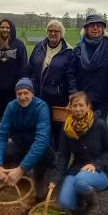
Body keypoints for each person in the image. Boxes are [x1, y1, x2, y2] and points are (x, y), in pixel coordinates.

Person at [51, 91, 108, 215]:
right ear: (70, 107)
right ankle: (81, 195)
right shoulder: (67, 127)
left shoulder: (100, 125)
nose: (78, 109)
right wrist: (56, 179)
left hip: (100, 171)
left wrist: (96, 164)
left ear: (88, 106)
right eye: (74, 105)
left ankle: (93, 206)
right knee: (64, 203)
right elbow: (63, 155)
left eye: (81, 105)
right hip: (77, 168)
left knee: (81, 181)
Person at [0, 78, 54, 201]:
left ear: (32, 94)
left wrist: (21, 169)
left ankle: (38, 176)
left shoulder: (41, 107)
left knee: (40, 196)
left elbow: (42, 141)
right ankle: (10, 174)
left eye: (26, 93)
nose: (22, 97)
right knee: (6, 150)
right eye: (19, 94)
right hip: (20, 144)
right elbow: (1, 135)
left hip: (40, 148)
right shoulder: (11, 107)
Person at [68, 14, 108, 120]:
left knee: (99, 129)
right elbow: (71, 72)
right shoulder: (78, 49)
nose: (95, 28)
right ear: (86, 29)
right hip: (82, 99)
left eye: (99, 25)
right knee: (81, 128)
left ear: (103, 29)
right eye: (92, 25)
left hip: (103, 99)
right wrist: (73, 93)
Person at [27, 19, 75, 149]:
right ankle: (42, 152)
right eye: (50, 30)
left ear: (61, 33)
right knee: (41, 125)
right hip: (37, 94)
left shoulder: (69, 52)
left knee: (57, 127)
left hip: (57, 96)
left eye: (56, 31)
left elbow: (71, 75)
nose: (53, 33)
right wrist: (27, 85)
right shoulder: (39, 47)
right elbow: (30, 68)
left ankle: (57, 155)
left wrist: (72, 94)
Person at [0, 18, 28, 125]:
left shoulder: (19, 45)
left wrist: (22, 85)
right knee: (1, 113)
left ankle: (14, 137)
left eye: (7, 27)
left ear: (11, 29)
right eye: (2, 27)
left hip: (14, 87)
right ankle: (2, 136)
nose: (5, 29)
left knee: (14, 112)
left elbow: (23, 66)